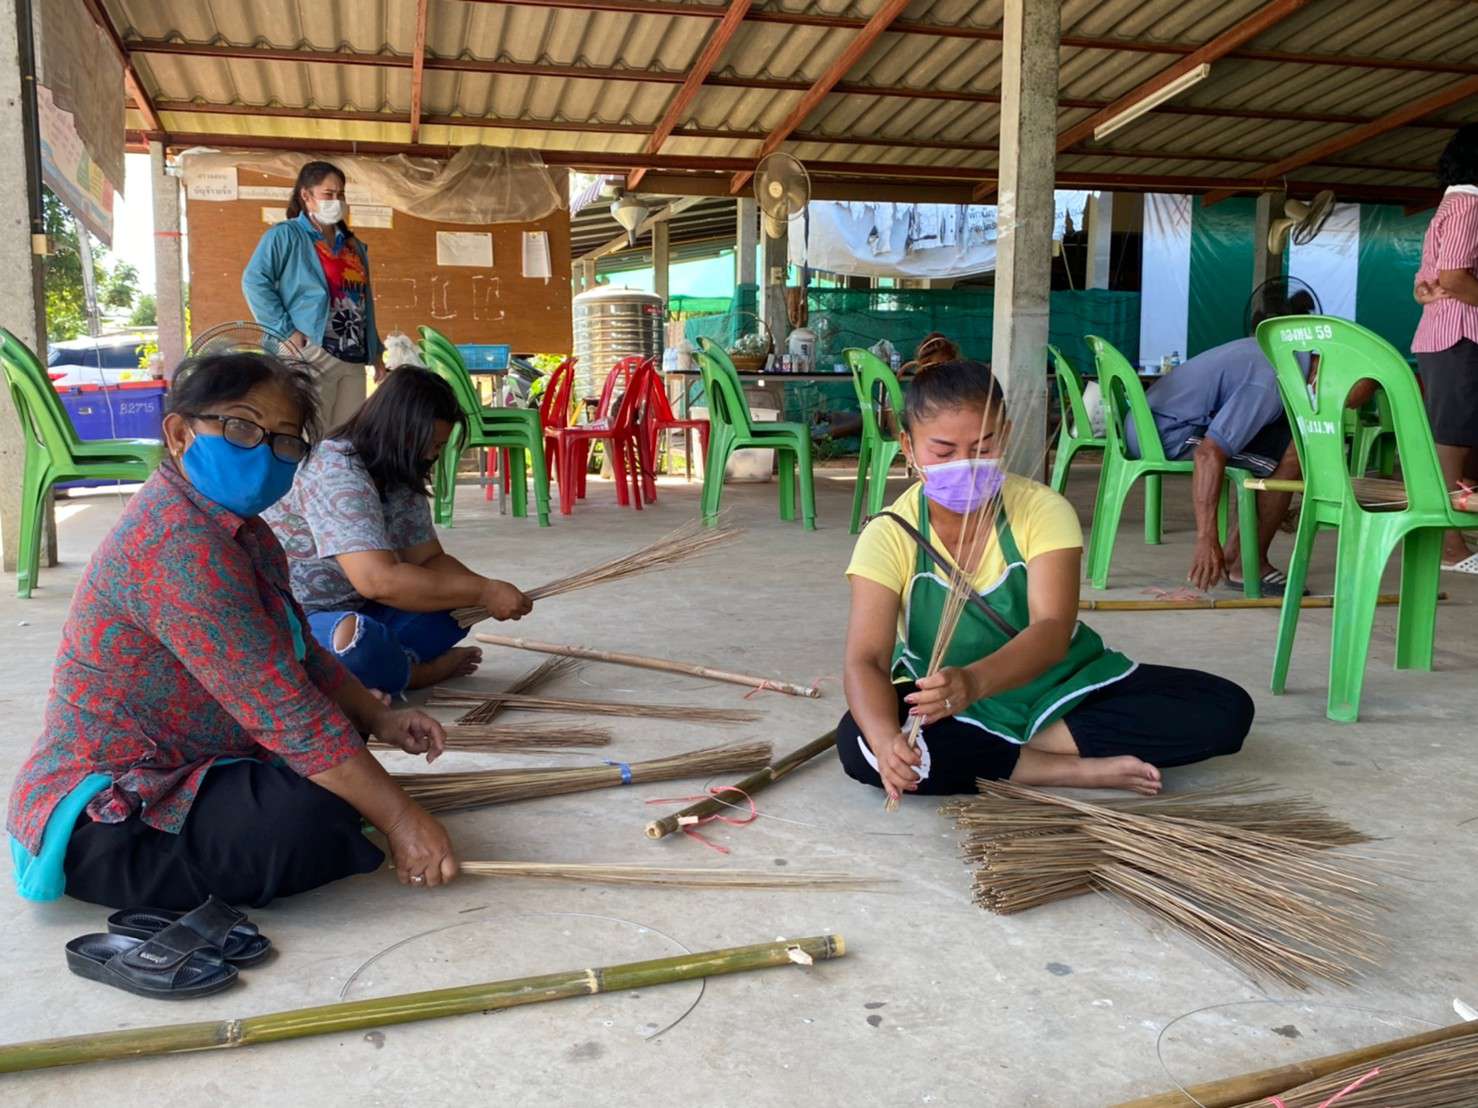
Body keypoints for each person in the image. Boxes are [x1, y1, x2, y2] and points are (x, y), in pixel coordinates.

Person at [6, 353, 459, 912]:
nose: (265, 453)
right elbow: (284, 708)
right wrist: (401, 820)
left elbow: (301, 652)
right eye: (242, 428)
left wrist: (378, 717)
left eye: (286, 440)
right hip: (116, 804)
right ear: (180, 434)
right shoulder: (177, 545)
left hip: (199, 757)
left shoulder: (244, 532)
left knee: (337, 760)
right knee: (305, 823)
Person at [838, 360, 1253, 802]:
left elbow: (1053, 630)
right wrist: (885, 741)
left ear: (1006, 436)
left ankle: (1002, 746)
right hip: (940, 696)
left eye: (983, 447)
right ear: (908, 445)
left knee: (1226, 710)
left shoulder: (1042, 509)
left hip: (1057, 684)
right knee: (858, 743)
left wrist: (974, 683)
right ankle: (1060, 768)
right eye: (943, 452)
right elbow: (866, 659)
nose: (966, 466)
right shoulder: (889, 533)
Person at [263, 366, 532, 696]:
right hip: (298, 617)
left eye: (439, 446)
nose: (432, 455)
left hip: (359, 608)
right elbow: (377, 581)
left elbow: (429, 560)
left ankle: (369, 677)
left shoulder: (399, 471)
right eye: (430, 444)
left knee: (456, 608)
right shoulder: (335, 470)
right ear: (399, 431)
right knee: (355, 640)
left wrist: (487, 592)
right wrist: (482, 591)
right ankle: (417, 673)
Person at [243, 160, 382, 428]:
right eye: (328, 194)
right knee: (308, 434)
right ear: (306, 195)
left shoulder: (353, 246)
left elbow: (363, 302)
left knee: (346, 438)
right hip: (311, 349)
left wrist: (375, 350)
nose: (336, 201)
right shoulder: (286, 235)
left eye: (341, 194)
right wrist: (286, 331)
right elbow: (254, 281)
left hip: (353, 354)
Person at [1412, 123, 1478, 572]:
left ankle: (1455, 530)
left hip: (1443, 335)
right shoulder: (1470, 205)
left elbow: (1424, 285)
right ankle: (1450, 546)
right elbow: (1454, 278)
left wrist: (1428, 293)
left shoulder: (1448, 205)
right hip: (1460, 336)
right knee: (1451, 440)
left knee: (1457, 436)